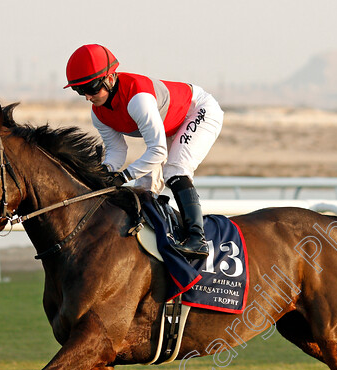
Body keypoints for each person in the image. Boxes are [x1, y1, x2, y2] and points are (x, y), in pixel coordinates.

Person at [64, 44, 224, 259]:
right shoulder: (98, 113)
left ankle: (197, 239)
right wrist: (103, 172)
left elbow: (158, 151)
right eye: (79, 90)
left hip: (198, 110)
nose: (87, 97)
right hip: (169, 124)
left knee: (175, 170)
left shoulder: (138, 99)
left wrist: (123, 177)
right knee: (144, 188)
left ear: (110, 78)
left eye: (91, 88)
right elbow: (116, 150)